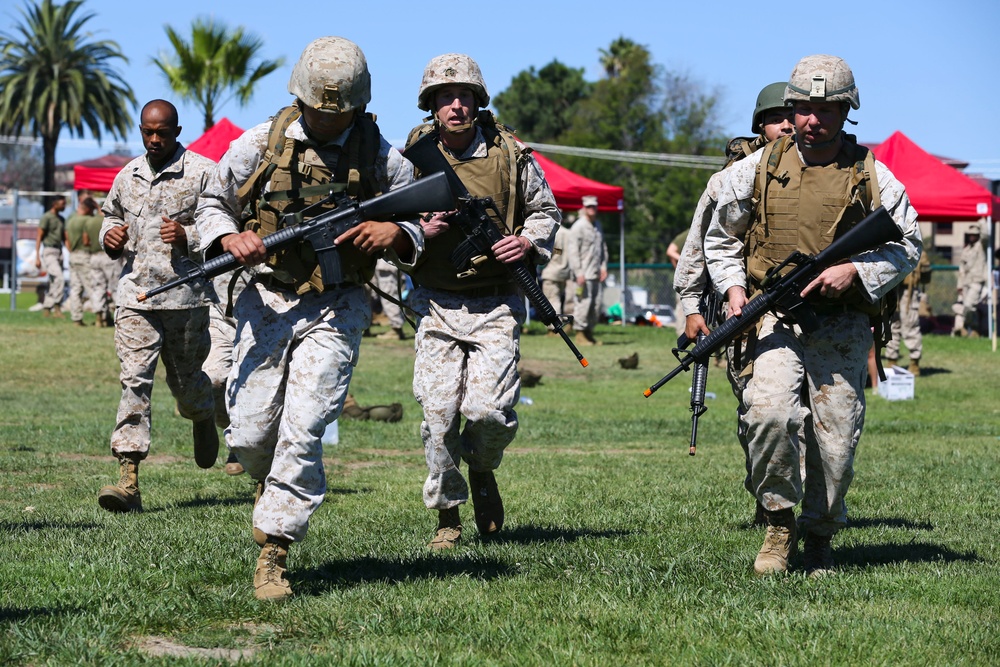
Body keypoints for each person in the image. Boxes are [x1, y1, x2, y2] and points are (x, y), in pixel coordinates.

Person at [196, 36, 422, 602]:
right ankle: (262, 482)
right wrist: (230, 235)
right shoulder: (262, 142)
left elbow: (426, 211)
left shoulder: (378, 153)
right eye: (320, 109)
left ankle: (274, 549)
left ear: (359, 105)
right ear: (299, 96)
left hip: (338, 304)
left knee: (305, 424)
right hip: (267, 298)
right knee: (249, 434)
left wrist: (398, 232)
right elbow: (211, 200)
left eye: (339, 110)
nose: (328, 118)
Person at [704, 55, 922, 576]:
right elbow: (720, 238)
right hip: (775, 317)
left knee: (837, 437)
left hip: (841, 322)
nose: (813, 120)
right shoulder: (754, 169)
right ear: (792, 108)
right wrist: (734, 289)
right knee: (768, 413)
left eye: (827, 109)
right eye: (804, 108)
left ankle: (820, 532)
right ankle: (780, 523)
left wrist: (856, 270)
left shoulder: (872, 174)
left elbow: (909, 243)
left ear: (846, 111)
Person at [404, 53, 559, 550]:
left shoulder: (510, 154)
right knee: (437, 415)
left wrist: (528, 242)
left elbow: (545, 210)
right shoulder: (410, 157)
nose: (455, 105)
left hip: (496, 301)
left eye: (464, 96)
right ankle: (447, 515)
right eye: (445, 98)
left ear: (478, 100)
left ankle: (483, 468)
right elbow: (386, 216)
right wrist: (418, 230)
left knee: (491, 413)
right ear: (431, 105)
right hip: (435, 300)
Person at [673, 81, 794, 525]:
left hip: (806, 309)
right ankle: (769, 501)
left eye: (791, 113)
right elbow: (698, 245)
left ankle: (795, 504)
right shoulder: (730, 178)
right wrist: (690, 305)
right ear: (760, 125)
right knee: (754, 408)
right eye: (775, 116)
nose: (786, 123)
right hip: (741, 309)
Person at [96, 100, 220, 515]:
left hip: (185, 298)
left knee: (186, 383)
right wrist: (109, 235)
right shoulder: (128, 174)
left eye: (162, 133)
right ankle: (128, 478)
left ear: (176, 130)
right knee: (134, 379)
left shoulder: (203, 172)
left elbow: (225, 226)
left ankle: (202, 415)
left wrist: (188, 235)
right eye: (147, 132)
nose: (154, 140)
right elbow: (109, 215)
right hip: (135, 296)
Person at [567, 195, 608, 346]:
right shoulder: (578, 226)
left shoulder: (598, 225)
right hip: (583, 274)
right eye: (589, 206)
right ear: (584, 208)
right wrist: (578, 272)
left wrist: (603, 266)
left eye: (594, 206)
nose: (592, 209)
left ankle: (589, 333)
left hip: (595, 273)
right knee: (583, 304)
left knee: (595, 305)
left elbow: (603, 248)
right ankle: (580, 334)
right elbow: (573, 252)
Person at [886, 249, 931, 374]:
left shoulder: (916, 248)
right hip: (891, 289)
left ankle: (914, 362)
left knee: (910, 324)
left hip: (908, 291)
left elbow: (926, 276)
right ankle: (891, 360)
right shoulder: (889, 245)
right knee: (891, 325)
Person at [65, 196, 98, 326]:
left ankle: (76, 318)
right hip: (85, 255)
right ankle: (100, 315)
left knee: (75, 288)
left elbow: (66, 237)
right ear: (89, 209)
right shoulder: (88, 220)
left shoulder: (71, 220)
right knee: (92, 286)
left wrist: (71, 250)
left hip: (73, 255)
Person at [952, 225, 988, 337]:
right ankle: (972, 330)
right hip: (966, 282)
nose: (971, 237)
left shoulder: (981, 246)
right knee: (969, 307)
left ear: (978, 236)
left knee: (968, 305)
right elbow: (961, 270)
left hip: (977, 281)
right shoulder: (966, 249)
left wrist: (982, 218)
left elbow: (986, 235)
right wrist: (960, 285)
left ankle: (966, 328)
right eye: (970, 235)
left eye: (974, 235)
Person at [34, 194, 67, 317]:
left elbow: (65, 238)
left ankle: (47, 308)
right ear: (55, 204)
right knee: (59, 278)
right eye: (62, 203)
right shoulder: (46, 217)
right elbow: (39, 237)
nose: (64, 206)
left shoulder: (61, 219)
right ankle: (57, 307)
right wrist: (37, 257)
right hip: (49, 251)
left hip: (59, 252)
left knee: (54, 281)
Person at [85, 206, 117, 327]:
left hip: (94, 257)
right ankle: (117, 315)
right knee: (114, 286)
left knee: (98, 286)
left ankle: (99, 317)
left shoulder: (90, 221)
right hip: (108, 256)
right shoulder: (111, 222)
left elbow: (85, 241)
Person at [540, 216, 572, 319]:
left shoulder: (553, 233)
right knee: (561, 299)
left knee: (552, 299)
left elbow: (552, 251)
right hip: (565, 271)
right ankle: (566, 321)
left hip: (552, 271)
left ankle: (554, 327)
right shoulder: (569, 233)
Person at [374, 257, 408, 339]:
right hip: (392, 263)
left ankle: (396, 329)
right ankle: (397, 327)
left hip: (387, 265)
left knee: (389, 297)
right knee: (392, 295)